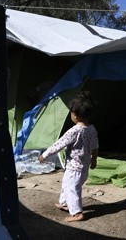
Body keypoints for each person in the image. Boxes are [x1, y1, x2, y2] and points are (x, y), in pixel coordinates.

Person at [39, 90, 99, 222]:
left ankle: (77, 213)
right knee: (67, 184)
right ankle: (65, 203)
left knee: (72, 188)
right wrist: (94, 159)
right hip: (83, 169)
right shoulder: (92, 129)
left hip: (74, 169)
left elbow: (58, 145)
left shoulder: (74, 131)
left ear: (75, 115)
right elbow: (96, 146)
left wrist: (44, 154)